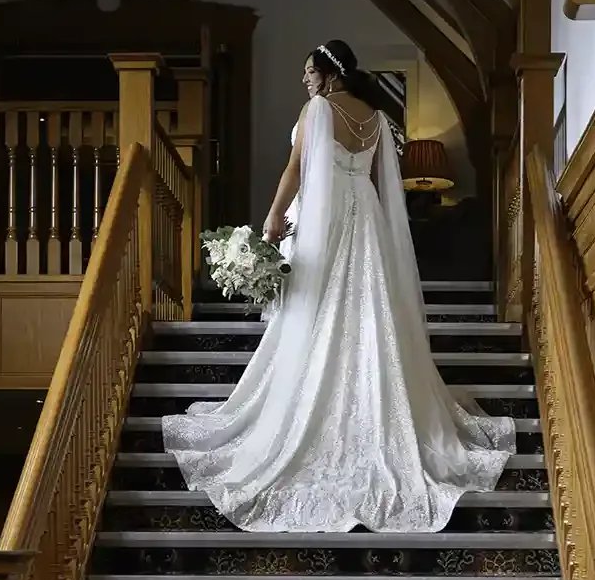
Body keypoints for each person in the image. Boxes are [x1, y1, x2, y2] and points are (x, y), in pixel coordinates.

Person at [163, 38, 515, 532]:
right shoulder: (374, 116)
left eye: (310, 71)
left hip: (324, 219)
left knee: (322, 307)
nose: (305, 80)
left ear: (330, 73)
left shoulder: (318, 109)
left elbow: (295, 169)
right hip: (365, 215)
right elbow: (372, 175)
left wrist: (271, 221)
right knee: (366, 306)